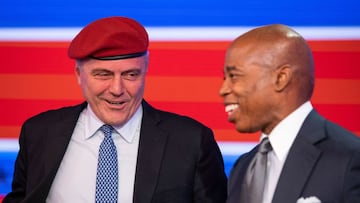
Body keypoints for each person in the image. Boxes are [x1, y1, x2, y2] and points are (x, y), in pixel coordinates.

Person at [3, 16, 227, 203]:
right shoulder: (39, 133)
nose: (117, 89)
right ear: (79, 75)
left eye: (131, 74)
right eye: (103, 74)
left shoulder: (191, 140)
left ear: (145, 72)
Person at [220, 24, 360, 203]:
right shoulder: (243, 167)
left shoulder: (350, 158)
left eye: (234, 76)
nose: (223, 90)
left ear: (281, 78)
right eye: (224, 78)